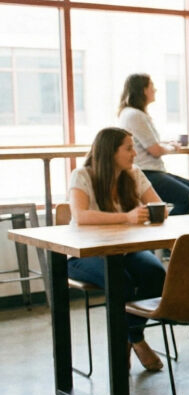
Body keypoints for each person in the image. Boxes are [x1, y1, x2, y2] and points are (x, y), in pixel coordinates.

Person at [67, 127, 166, 372]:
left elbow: (159, 206)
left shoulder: (134, 174)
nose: (134, 153)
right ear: (110, 152)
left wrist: (152, 212)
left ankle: (131, 337)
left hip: (124, 250)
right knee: (120, 280)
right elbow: (80, 216)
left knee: (156, 273)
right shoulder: (82, 175)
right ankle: (137, 341)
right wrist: (126, 217)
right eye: (128, 148)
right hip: (84, 253)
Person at [115, 73, 189, 216]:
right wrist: (172, 148)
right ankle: (170, 230)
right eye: (152, 86)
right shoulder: (135, 115)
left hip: (153, 171)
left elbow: (148, 142)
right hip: (147, 173)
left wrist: (166, 143)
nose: (155, 90)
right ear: (143, 90)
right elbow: (155, 150)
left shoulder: (133, 114)